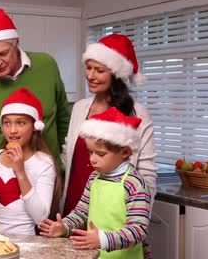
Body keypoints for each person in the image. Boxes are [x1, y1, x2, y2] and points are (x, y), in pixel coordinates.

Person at [60, 34, 157, 216]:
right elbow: (69, 157)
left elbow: (147, 173)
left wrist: (139, 218)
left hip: (113, 212)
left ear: (115, 74)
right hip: (75, 205)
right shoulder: (80, 108)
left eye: (99, 70)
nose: (90, 75)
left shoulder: (137, 112)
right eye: (88, 68)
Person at [0, 9, 71, 171]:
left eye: (3, 53)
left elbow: (63, 118)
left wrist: (64, 164)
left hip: (48, 171)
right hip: (0, 175)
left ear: (17, 44)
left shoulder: (46, 65)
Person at [39, 107, 152, 259]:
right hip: (96, 255)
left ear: (125, 152)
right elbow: (81, 212)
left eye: (101, 154)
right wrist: (64, 226)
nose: (92, 159)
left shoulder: (134, 183)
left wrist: (103, 239)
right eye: (90, 152)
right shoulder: (94, 178)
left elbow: (138, 230)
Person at [0, 87, 60, 235]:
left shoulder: (44, 163)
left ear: (34, 127)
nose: (12, 130)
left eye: (21, 123)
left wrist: (20, 172)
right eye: (7, 123)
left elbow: (40, 218)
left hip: (27, 241)